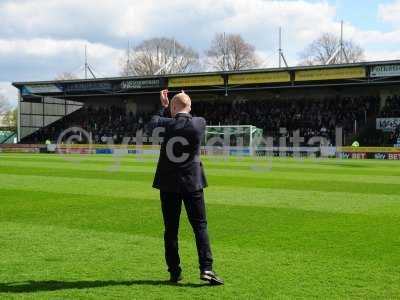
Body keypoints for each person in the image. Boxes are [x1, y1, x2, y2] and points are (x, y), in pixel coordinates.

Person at [148, 89, 224, 285]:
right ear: (190, 107)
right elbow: (185, 113)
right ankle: (206, 269)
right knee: (200, 226)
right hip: (193, 183)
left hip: (168, 184)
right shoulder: (199, 123)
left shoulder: (165, 124)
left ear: (173, 108)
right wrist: (180, 103)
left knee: (171, 230)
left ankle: (174, 272)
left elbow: (152, 124)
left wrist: (164, 107)